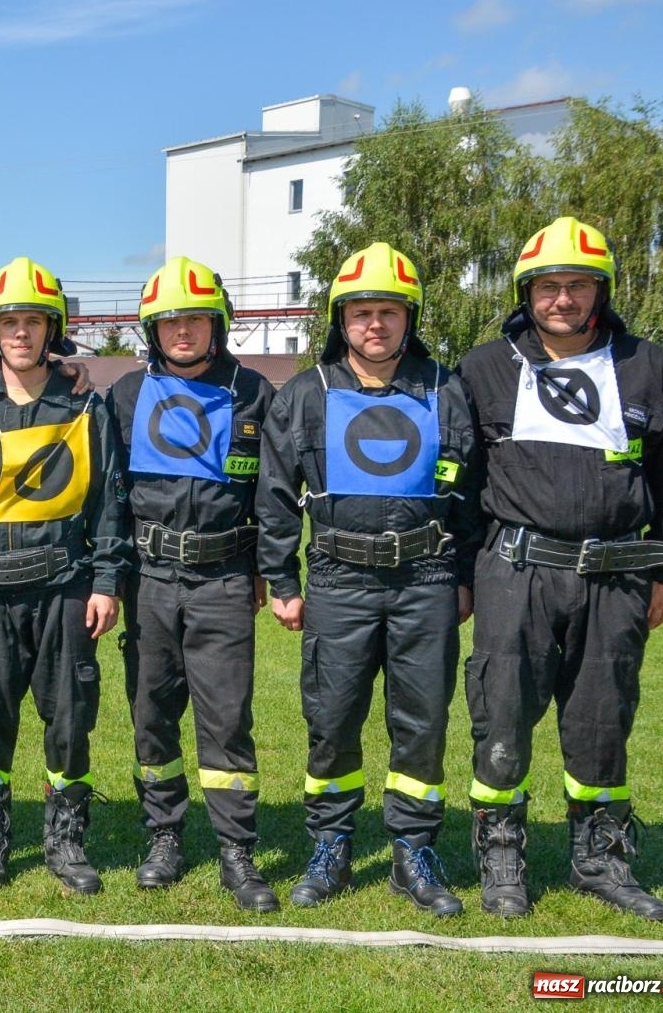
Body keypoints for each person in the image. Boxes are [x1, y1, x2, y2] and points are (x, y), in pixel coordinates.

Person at [456, 216, 663, 921]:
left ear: (602, 290)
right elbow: (459, 481)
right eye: (548, 286)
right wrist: (469, 574)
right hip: (515, 572)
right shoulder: (484, 368)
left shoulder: (648, 365)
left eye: (578, 285)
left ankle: (601, 858)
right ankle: (501, 852)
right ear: (526, 292)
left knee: (601, 717)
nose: (562, 299)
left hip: (618, 576)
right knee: (501, 712)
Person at [257, 242, 477, 917]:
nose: (374, 325)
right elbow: (271, 494)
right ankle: (332, 844)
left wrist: (463, 574)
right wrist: (280, 579)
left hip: (427, 578)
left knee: (422, 722)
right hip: (337, 578)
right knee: (332, 718)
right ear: (341, 319)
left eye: (387, 311)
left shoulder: (445, 387)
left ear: (408, 317)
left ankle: (414, 849)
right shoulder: (304, 394)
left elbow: (471, 488)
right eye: (360, 312)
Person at [0, 257, 127, 895]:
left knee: (69, 718)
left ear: (51, 329)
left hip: (65, 589)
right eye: (9, 321)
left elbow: (111, 501)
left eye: (33, 321)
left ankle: (66, 841)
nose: (21, 332)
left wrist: (107, 581)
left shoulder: (87, 405)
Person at [105, 257, 277, 911]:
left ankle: (237, 849)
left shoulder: (257, 392)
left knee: (227, 718)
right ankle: (165, 835)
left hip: (225, 577)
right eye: (170, 320)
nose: (183, 330)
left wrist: (266, 569)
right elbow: (108, 497)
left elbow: (276, 495)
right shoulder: (122, 395)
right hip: (148, 580)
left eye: (196, 319)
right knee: (152, 714)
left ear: (217, 324)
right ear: (153, 328)